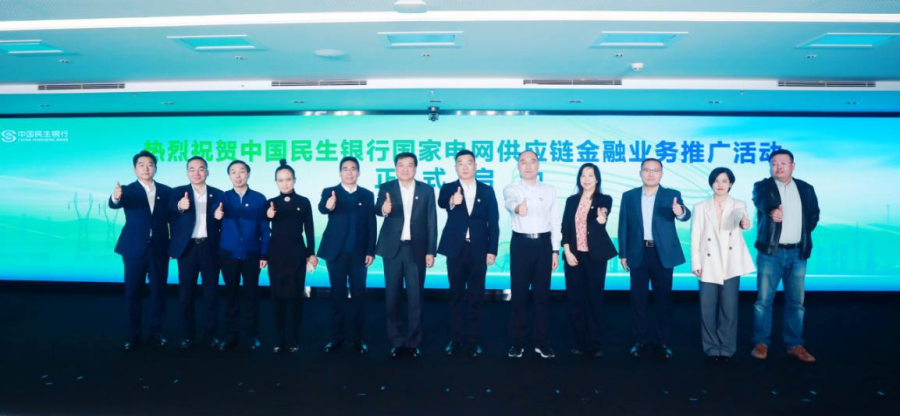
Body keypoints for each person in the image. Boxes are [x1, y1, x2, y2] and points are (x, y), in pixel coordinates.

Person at [750, 149, 820, 363]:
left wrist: (802, 232)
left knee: (796, 302)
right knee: (763, 301)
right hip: (771, 252)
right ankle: (761, 342)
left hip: (798, 253)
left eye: (783, 163)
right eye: (774, 163)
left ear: (792, 166)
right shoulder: (763, 187)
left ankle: (794, 344)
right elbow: (760, 201)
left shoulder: (806, 189)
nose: (778, 167)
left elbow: (814, 215)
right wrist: (772, 211)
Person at [618, 158, 691, 359]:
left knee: (663, 299)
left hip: (662, 253)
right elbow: (623, 225)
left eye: (655, 170)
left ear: (662, 174)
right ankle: (639, 341)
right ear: (640, 173)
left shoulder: (672, 195)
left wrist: (681, 212)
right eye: (647, 170)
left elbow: (685, 214)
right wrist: (623, 253)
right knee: (638, 299)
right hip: (638, 252)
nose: (651, 174)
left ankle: (662, 342)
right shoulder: (629, 196)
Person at [437, 150, 500, 358]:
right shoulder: (448, 188)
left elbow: (494, 222)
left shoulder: (487, 190)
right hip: (456, 249)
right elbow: (442, 202)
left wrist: (492, 250)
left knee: (475, 297)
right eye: (460, 163)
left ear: (476, 166)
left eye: (469, 163)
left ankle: (473, 341)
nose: (465, 167)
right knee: (455, 295)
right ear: (455, 167)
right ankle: (455, 340)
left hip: (479, 250)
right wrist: (452, 200)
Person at [375, 152, 437, 358]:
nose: (405, 169)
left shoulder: (426, 190)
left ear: (415, 168)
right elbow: (377, 208)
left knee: (415, 298)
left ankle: (413, 342)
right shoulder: (387, 188)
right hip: (392, 249)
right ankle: (396, 340)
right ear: (395, 168)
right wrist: (383, 209)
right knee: (392, 297)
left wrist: (431, 251)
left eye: (410, 165)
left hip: (416, 250)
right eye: (401, 165)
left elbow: (431, 222)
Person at [689, 167, 754, 362]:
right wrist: (695, 262)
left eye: (724, 181)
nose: (720, 184)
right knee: (707, 308)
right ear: (711, 183)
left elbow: (741, 219)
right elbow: (695, 236)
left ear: (730, 183)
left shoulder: (738, 204)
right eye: (716, 181)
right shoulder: (700, 207)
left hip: (730, 263)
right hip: (707, 262)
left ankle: (726, 348)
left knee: (729, 308)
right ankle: (711, 347)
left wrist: (744, 222)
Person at [109, 150, 172, 351]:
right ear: (135, 169)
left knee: (158, 293)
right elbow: (114, 204)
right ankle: (132, 336)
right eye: (142, 165)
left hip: (159, 248)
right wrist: (115, 197)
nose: (146, 168)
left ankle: (156, 333)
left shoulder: (167, 191)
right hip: (134, 248)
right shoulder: (127, 190)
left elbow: (174, 217)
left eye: (150, 164)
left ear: (156, 168)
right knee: (132, 293)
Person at [502, 150, 561, 359]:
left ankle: (541, 342)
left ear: (538, 165)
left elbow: (555, 221)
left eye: (532, 161)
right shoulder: (512, 188)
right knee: (518, 296)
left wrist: (555, 250)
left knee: (542, 296)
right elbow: (509, 203)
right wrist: (518, 208)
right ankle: (517, 343)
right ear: (518, 166)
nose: (528, 166)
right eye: (523, 162)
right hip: (521, 245)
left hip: (544, 245)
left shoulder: (550, 189)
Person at [318, 156, 376, 354]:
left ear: (358, 172)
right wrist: (329, 205)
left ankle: (358, 338)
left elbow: (371, 224)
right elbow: (322, 208)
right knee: (337, 296)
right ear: (339, 172)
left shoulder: (367, 195)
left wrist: (370, 250)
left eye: (353, 169)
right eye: (345, 169)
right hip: (336, 253)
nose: (349, 172)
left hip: (359, 254)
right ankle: (337, 337)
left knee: (359, 296)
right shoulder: (330, 192)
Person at [561, 163, 617, 358]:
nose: (586, 179)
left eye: (590, 175)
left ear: (597, 179)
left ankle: (594, 343)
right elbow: (565, 226)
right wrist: (567, 251)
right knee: (575, 300)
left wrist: (602, 217)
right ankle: (578, 342)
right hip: (574, 256)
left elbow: (604, 212)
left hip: (595, 257)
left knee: (594, 299)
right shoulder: (571, 200)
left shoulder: (604, 199)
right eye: (583, 175)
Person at [168, 156, 225, 349]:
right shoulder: (177, 193)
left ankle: (211, 335)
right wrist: (179, 206)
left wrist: (219, 216)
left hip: (210, 248)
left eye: (201, 169)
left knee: (211, 294)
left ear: (207, 172)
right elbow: (169, 210)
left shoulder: (218, 194)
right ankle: (187, 335)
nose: (196, 173)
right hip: (188, 249)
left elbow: (224, 218)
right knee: (186, 294)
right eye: (192, 169)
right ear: (187, 172)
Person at [217, 160, 270, 351]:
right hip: (228, 254)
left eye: (241, 171)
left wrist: (264, 254)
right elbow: (214, 221)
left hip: (252, 253)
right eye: (233, 172)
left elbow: (265, 228)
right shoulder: (222, 197)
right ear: (229, 176)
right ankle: (231, 335)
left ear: (248, 174)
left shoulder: (259, 198)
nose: (238, 175)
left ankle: (252, 335)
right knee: (230, 295)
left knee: (251, 295)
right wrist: (216, 215)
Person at [266, 160, 316, 353]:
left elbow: (309, 230)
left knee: (295, 297)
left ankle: (294, 338)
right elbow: (263, 229)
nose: (285, 183)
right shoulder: (270, 203)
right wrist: (267, 215)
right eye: (280, 180)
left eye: (288, 179)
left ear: (294, 180)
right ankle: (280, 338)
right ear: (276, 182)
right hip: (276, 254)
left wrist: (310, 253)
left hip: (297, 253)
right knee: (277, 297)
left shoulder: (303, 202)